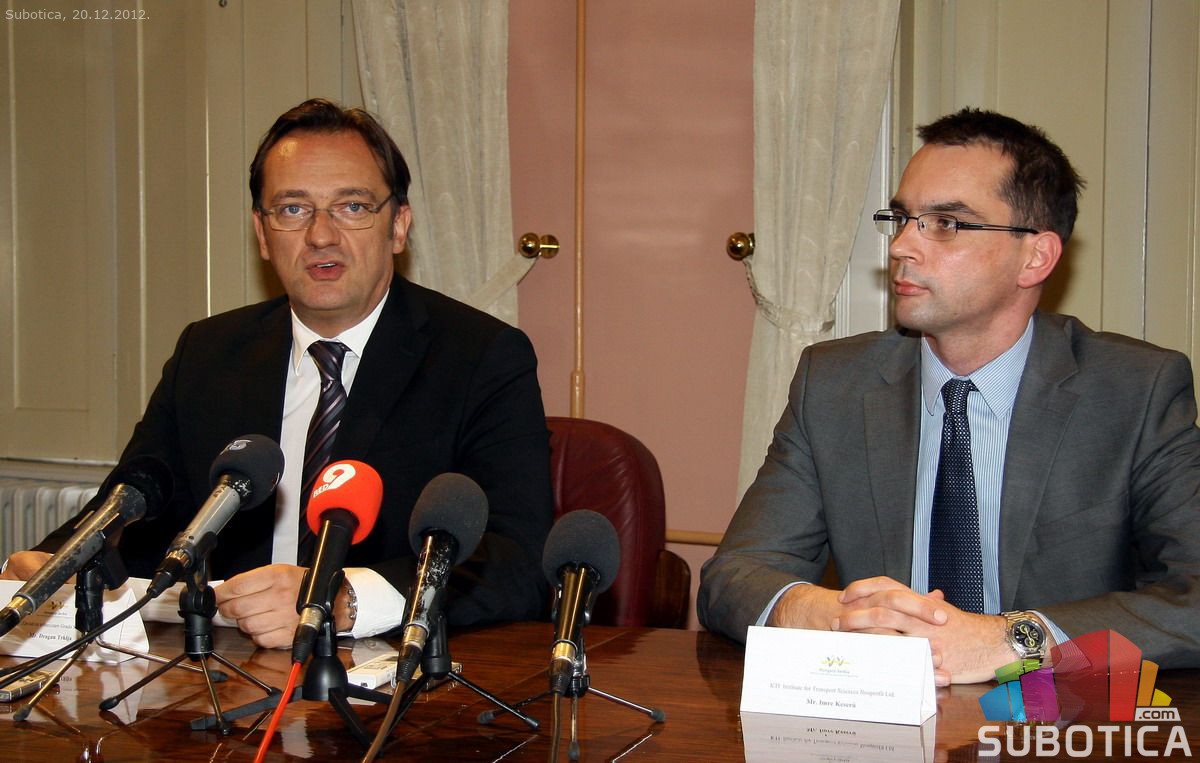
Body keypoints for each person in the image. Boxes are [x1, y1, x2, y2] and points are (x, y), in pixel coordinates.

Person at [1, 99, 555, 648]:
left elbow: (517, 559)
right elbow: (133, 505)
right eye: (292, 209)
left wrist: (343, 599)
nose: (321, 235)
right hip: (224, 665)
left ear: (398, 226)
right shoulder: (208, 353)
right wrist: (55, 562)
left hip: (391, 668)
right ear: (263, 235)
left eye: (352, 206)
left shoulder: (481, 357)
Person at [697, 108, 1200, 685]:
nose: (901, 247)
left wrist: (1009, 641)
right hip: (878, 712)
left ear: (1035, 256)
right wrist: (830, 615)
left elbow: (1193, 597)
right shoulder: (835, 384)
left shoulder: (1135, 390)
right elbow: (735, 575)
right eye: (902, 218)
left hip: (1057, 716)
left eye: (945, 223)